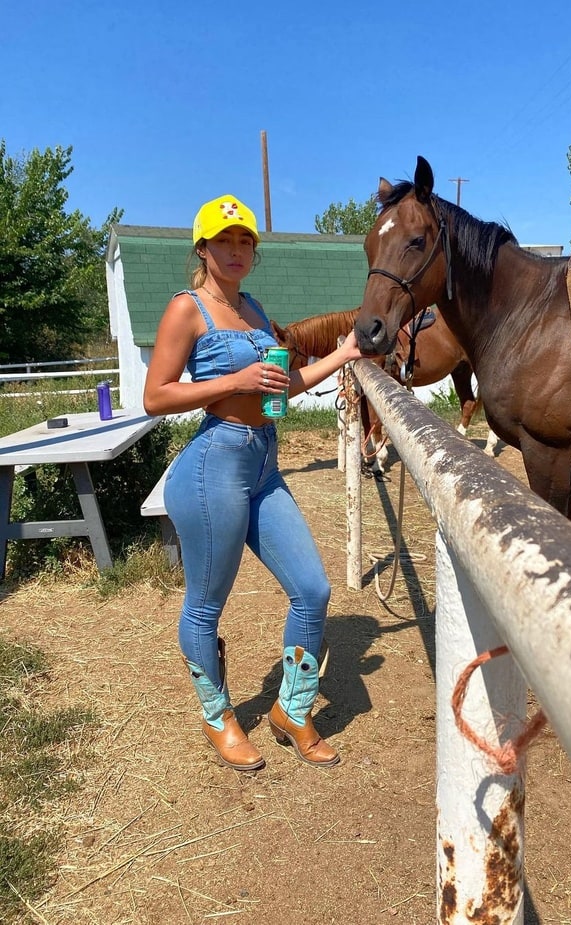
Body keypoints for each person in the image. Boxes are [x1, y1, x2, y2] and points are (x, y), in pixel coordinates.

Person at [143, 194, 365, 771]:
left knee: (312, 591)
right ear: (203, 248)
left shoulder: (257, 309)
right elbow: (155, 397)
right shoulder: (187, 309)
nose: (237, 251)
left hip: (264, 462)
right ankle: (218, 717)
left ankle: (291, 710)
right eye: (225, 241)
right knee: (205, 607)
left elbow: (282, 387)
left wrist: (343, 353)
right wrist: (233, 380)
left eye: (245, 242)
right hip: (214, 464)